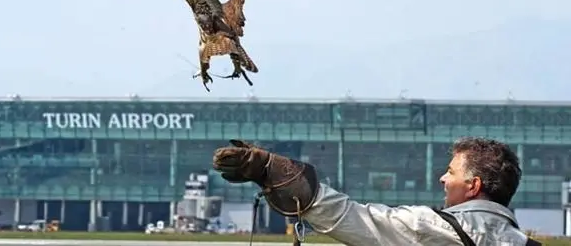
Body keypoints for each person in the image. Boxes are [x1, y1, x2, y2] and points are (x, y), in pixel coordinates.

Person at [212, 137, 542, 246]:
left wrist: (273, 171)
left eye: (451, 172)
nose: (443, 178)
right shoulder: (526, 243)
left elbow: (356, 219)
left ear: (473, 186)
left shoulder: (437, 230)